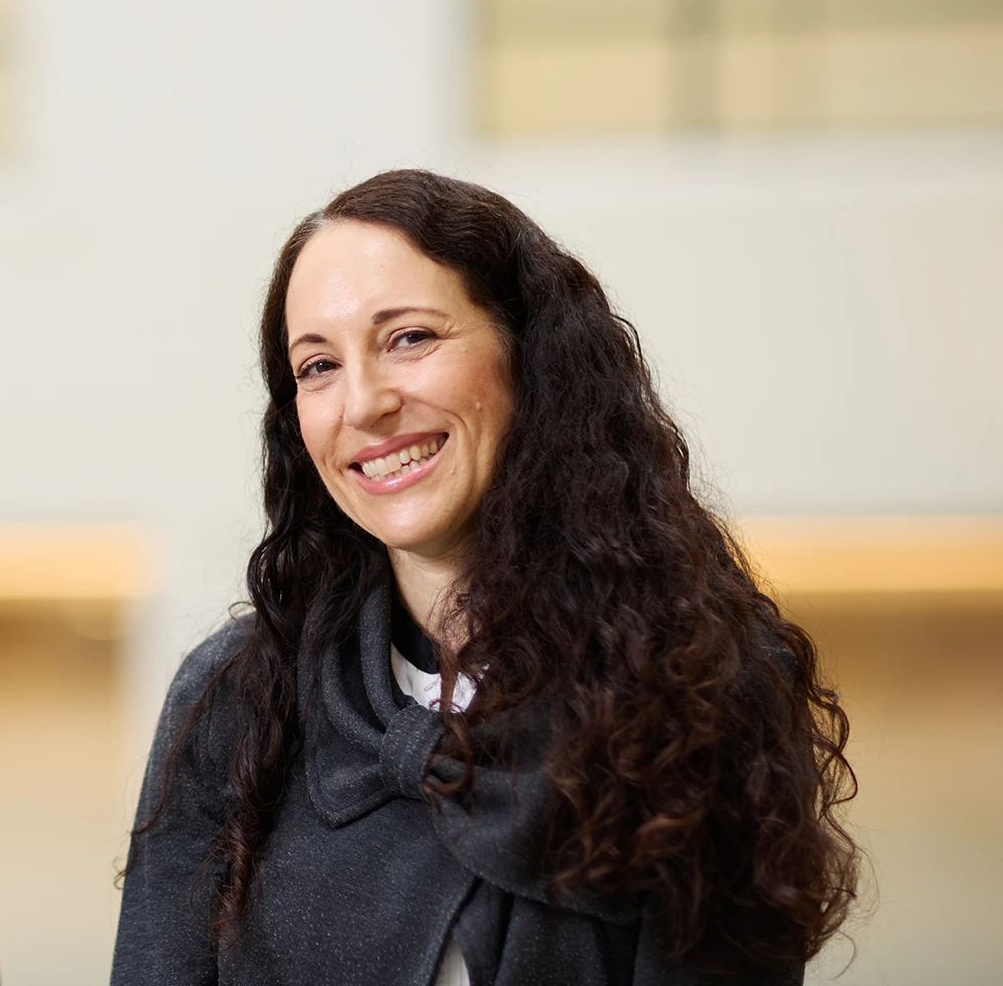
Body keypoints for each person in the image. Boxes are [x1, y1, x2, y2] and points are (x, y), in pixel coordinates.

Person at [111, 170, 857, 985]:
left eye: (409, 339)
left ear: (526, 352)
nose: (363, 403)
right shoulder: (233, 696)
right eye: (318, 365)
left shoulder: (698, 687)